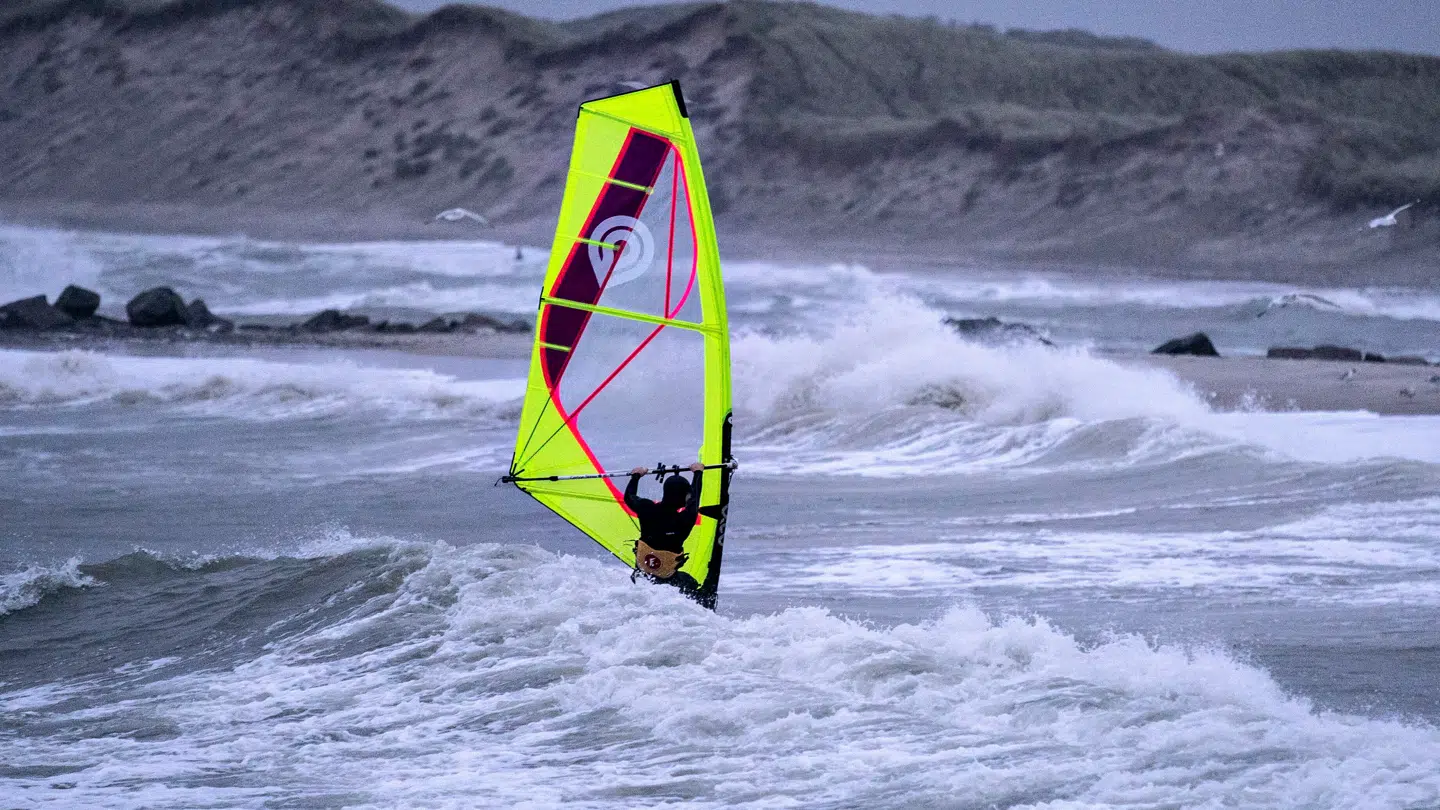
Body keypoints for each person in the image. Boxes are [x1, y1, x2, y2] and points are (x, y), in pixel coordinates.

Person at [625, 462, 704, 580]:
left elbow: (629, 496)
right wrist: (698, 473)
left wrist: (636, 476)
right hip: (669, 580)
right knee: (692, 583)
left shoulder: (646, 508)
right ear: (685, 497)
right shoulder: (685, 518)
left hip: (641, 577)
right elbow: (694, 499)